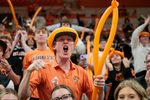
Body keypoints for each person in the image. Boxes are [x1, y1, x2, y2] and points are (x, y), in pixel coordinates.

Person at [18, 26, 105, 100]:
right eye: (61, 39)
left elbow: (95, 98)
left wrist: (100, 91)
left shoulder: (82, 72)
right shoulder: (42, 69)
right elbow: (22, 96)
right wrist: (28, 72)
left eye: (69, 40)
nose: (66, 41)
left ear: (73, 46)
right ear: (54, 46)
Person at [22, 26, 55, 99]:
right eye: (38, 32)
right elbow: (25, 76)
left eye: (43, 32)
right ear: (34, 37)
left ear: (48, 36)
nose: (41, 34)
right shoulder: (28, 55)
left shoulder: (55, 53)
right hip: (33, 94)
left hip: (52, 93)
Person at [131, 16, 150, 89]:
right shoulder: (136, 47)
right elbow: (135, 33)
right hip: (140, 73)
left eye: (147, 36)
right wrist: (145, 24)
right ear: (139, 39)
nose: (145, 37)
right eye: (142, 36)